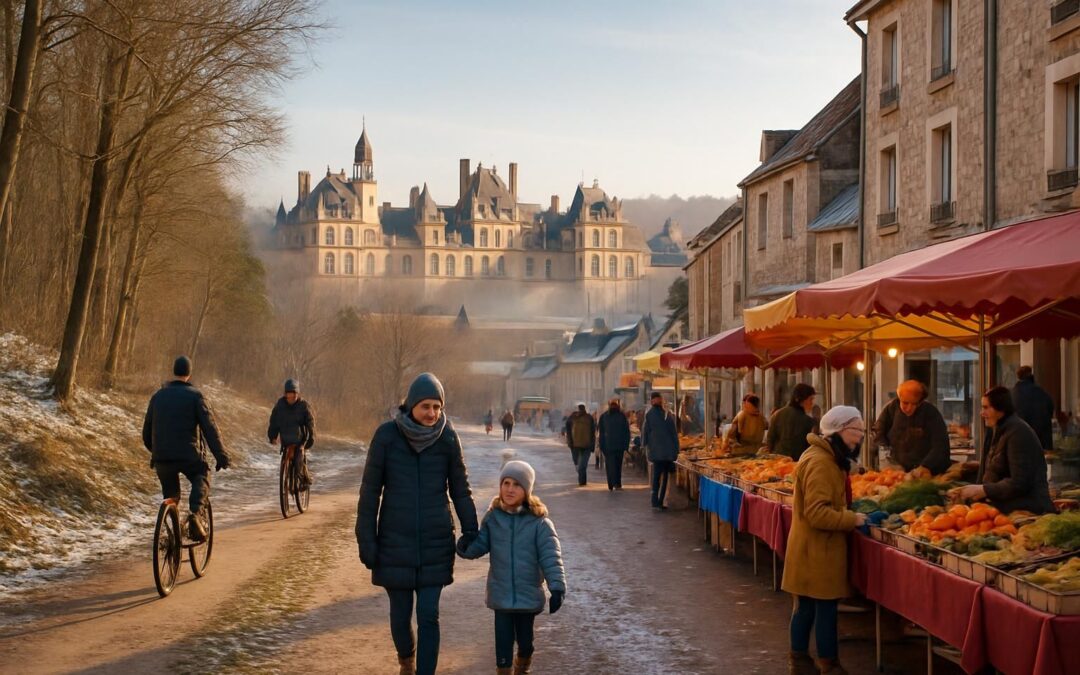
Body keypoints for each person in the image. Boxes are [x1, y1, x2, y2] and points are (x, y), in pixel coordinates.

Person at [356, 373, 479, 675]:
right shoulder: (386, 436)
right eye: (426, 406)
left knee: (428, 614)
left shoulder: (448, 437)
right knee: (400, 617)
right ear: (411, 405)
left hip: (436, 542)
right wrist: (366, 540)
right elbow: (370, 491)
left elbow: (460, 489)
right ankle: (406, 660)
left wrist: (471, 529)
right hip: (393, 542)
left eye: (437, 407)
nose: (432, 414)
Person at [457, 460, 566, 675]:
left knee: (525, 643)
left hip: (528, 596)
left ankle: (522, 666)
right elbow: (481, 545)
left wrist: (557, 587)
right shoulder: (493, 518)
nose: (509, 489)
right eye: (505, 483)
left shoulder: (540, 523)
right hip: (501, 594)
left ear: (527, 490)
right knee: (503, 645)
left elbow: (551, 557)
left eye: (516, 484)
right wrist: (465, 548)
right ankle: (504, 669)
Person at [782, 406, 868, 675]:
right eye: (856, 431)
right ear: (839, 430)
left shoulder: (823, 456)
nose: (859, 438)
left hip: (810, 548)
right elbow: (818, 513)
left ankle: (799, 661)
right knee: (824, 609)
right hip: (819, 549)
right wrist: (852, 519)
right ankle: (828, 664)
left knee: (806, 607)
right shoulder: (821, 462)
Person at [142, 356, 230, 542]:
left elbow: (146, 431)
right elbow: (210, 429)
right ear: (189, 374)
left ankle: (172, 534)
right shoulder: (196, 396)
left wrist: (156, 451)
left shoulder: (157, 396)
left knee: (171, 495)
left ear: (174, 372)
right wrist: (221, 456)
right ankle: (196, 515)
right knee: (202, 473)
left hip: (162, 457)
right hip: (188, 456)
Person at [950, 386, 1055, 514]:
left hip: (1026, 511)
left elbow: (1019, 482)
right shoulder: (995, 430)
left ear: (1001, 409)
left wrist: (984, 490)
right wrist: (973, 493)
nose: (981, 413)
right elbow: (989, 472)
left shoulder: (1018, 433)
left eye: (986, 407)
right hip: (1003, 508)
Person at [871, 380, 951, 475]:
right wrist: (887, 456)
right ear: (899, 398)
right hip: (897, 469)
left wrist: (926, 466)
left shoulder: (931, 413)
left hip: (927, 472)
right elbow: (878, 434)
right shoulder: (891, 409)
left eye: (914, 404)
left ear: (920, 402)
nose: (909, 408)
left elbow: (940, 445)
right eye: (905, 403)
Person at [267, 378, 315, 488]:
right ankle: (287, 480)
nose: (291, 397)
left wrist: (310, 439)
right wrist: (272, 437)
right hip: (286, 440)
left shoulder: (303, 406)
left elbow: (310, 423)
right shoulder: (280, 405)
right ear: (285, 394)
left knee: (299, 462)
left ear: (297, 394)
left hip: (299, 441)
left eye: (293, 394)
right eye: (288, 394)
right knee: (286, 461)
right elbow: (274, 421)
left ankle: (304, 480)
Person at [642, 391, 678, 511]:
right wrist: (675, 449)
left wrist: (644, 445)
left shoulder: (653, 415)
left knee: (657, 478)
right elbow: (673, 434)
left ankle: (656, 501)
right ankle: (659, 501)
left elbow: (645, 433)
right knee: (663, 478)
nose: (658, 401)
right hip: (665, 452)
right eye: (657, 399)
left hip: (658, 452)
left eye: (658, 399)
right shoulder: (665, 415)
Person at [767, 383, 818, 460]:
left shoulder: (778, 414)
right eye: (810, 399)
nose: (812, 403)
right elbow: (809, 447)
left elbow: (770, 439)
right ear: (800, 400)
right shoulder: (808, 421)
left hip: (777, 460)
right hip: (797, 462)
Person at [1012, 366, 1055, 450]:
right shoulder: (1040, 393)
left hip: (1018, 439)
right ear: (1030, 374)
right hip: (1040, 440)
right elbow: (1050, 408)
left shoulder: (1012, 394)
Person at [598, 398, 631, 490]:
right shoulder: (622, 416)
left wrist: (602, 445)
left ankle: (611, 484)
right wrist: (626, 446)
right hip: (619, 446)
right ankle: (617, 483)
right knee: (617, 466)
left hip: (608, 446)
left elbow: (601, 433)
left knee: (610, 466)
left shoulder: (604, 416)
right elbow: (626, 432)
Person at [565, 403, 596, 486]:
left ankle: (582, 481)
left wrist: (569, 442)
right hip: (584, 445)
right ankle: (582, 481)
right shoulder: (588, 418)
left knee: (580, 465)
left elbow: (567, 430)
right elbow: (593, 432)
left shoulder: (573, 417)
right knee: (582, 465)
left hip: (578, 445)